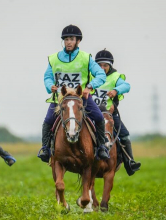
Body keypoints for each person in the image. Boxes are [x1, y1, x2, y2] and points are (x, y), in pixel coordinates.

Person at [38, 24, 110, 163]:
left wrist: (90, 86)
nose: (68, 42)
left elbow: (100, 74)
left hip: (81, 99)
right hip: (59, 99)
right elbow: (47, 76)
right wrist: (50, 86)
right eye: (66, 39)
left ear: (78, 41)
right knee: (47, 121)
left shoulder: (86, 58)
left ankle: (101, 147)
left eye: (71, 39)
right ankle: (45, 149)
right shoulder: (54, 58)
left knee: (99, 117)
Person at [92, 49, 141, 174]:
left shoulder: (115, 77)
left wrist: (116, 90)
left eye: (105, 65)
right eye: (99, 65)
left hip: (109, 114)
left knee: (124, 135)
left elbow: (126, 86)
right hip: (91, 113)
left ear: (110, 66)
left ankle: (130, 162)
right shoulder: (90, 76)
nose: (102, 68)